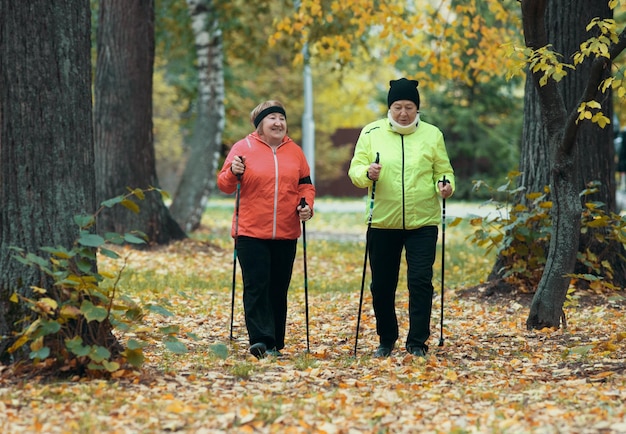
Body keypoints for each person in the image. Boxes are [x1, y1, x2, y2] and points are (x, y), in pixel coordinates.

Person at [348, 78, 455, 359]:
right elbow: (355, 170)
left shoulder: (432, 135)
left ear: (417, 108)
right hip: (382, 221)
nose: (403, 113)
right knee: (382, 285)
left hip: (423, 222)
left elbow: (443, 170)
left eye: (409, 107)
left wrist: (444, 185)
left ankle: (417, 341)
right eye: (398, 107)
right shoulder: (371, 133)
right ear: (389, 108)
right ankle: (387, 338)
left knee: (420, 281)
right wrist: (366, 174)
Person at [217, 100, 315, 359]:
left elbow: (305, 185)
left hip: (286, 230)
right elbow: (225, 184)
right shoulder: (243, 148)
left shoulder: (294, 151)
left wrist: (306, 205)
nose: (278, 123)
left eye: (281, 119)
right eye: (272, 118)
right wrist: (232, 172)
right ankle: (260, 341)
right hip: (250, 232)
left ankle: (275, 344)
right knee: (257, 285)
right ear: (260, 124)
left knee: (278, 288)